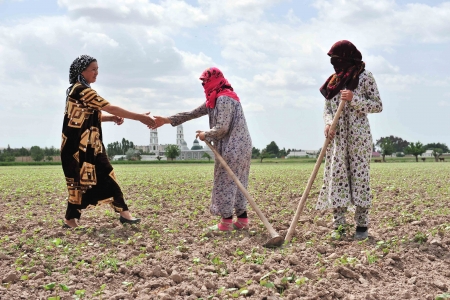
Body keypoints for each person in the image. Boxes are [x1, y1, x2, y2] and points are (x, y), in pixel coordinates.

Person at [151, 67, 252, 231]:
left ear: (215, 80)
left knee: (225, 181)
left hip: (233, 146)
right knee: (238, 181)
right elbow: (193, 113)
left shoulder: (224, 99)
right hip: (239, 146)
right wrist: (167, 120)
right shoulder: (216, 97)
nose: (204, 85)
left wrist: (206, 134)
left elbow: (222, 128)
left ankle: (226, 223)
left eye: (206, 81)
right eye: (203, 82)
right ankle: (242, 220)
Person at [61, 55, 155, 228]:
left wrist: (111, 118)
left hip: (91, 147)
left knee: (105, 174)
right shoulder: (82, 90)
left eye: (98, 69)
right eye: (93, 69)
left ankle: (124, 213)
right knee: (78, 184)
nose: (96, 73)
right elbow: (109, 106)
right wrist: (139, 117)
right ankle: (70, 219)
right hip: (77, 149)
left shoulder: (80, 90)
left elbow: (88, 117)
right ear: (82, 71)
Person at [316, 40, 383, 240]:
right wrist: (328, 124)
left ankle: (361, 226)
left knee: (360, 178)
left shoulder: (365, 77)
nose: (334, 64)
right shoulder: (334, 81)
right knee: (337, 178)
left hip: (358, 138)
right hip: (337, 139)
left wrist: (355, 98)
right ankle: (339, 226)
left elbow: (377, 105)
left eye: (337, 59)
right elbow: (327, 109)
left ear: (347, 58)